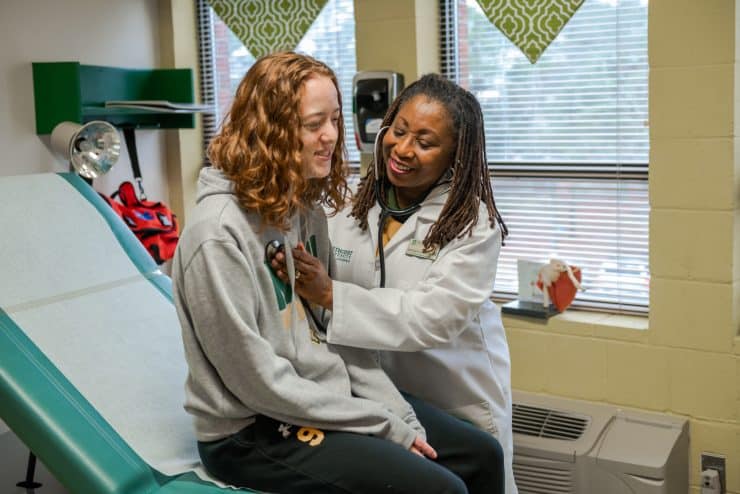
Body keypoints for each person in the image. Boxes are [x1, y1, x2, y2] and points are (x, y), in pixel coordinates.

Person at [171, 52, 504, 494]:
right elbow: (257, 382)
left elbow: (337, 335)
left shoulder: (303, 213)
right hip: (251, 430)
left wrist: (395, 415)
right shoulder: (217, 235)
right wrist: (384, 425)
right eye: (314, 124)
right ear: (269, 129)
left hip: (319, 394)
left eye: (334, 120)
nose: (331, 137)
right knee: (441, 489)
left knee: (483, 456)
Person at [271, 73, 517, 493]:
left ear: (454, 154)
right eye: (398, 131)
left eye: (424, 142)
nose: (402, 150)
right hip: (376, 399)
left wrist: (330, 293)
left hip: (453, 398)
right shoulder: (346, 206)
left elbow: (430, 320)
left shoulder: (471, 226)